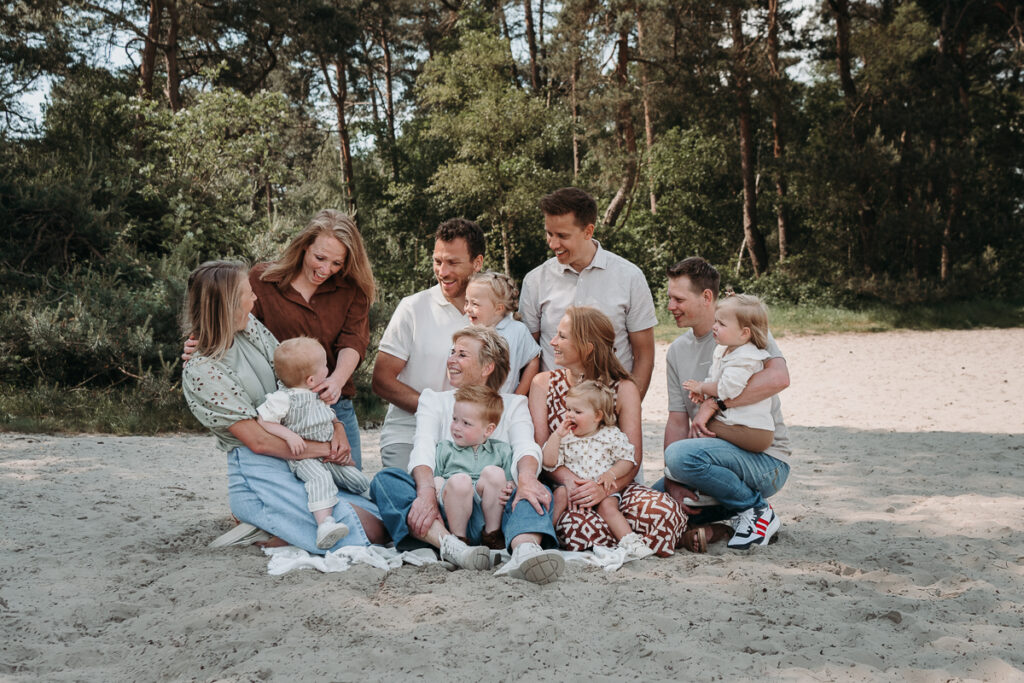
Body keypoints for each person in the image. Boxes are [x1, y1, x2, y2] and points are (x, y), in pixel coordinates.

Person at [181, 260, 388, 553]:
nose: (255, 298)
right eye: (247, 293)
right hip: (260, 469)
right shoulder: (202, 370)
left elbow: (299, 382)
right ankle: (264, 526)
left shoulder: (249, 328)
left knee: (382, 517)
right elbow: (259, 441)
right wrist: (327, 449)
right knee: (368, 530)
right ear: (227, 304)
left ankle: (281, 528)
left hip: (302, 455)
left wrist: (337, 427)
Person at [371, 326, 565, 584]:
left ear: (487, 367)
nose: (451, 359)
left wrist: (527, 479)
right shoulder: (434, 400)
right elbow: (423, 448)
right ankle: (450, 546)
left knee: (538, 490)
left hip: (498, 510)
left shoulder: (513, 403)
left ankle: (524, 550)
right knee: (386, 481)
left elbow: (525, 447)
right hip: (445, 510)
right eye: (452, 352)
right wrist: (427, 492)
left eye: (462, 354)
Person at [183, 209, 376, 470]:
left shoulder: (352, 291)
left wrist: (335, 382)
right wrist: (202, 343)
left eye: (337, 263)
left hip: (330, 401)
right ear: (305, 246)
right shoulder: (263, 280)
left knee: (351, 480)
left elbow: (353, 341)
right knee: (305, 484)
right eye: (320, 258)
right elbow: (234, 323)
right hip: (279, 407)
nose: (325, 269)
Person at [656, 257, 791, 552]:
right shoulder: (677, 351)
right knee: (654, 503)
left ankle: (756, 509)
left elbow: (779, 378)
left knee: (680, 457)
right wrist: (673, 480)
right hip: (704, 460)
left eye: (678, 299)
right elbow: (677, 419)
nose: (670, 306)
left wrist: (715, 403)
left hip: (765, 461)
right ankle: (718, 528)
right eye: (669, 298)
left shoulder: (746, 331)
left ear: (707, 297)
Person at [529, 306, 685, 557]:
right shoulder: (543, 383)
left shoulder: (623, 388)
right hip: (567, 489)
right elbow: (540, 448)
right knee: (579, 529)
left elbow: (632, 457)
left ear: (587, 347)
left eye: (562, 336)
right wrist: (571, 482)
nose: (553, 341)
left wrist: (603, 489)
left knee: (665, 512)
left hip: (615, 487)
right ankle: (630, 539)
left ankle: (627, 536)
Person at [519, 187, 659, 398]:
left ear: (588, 231)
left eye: (562, 236)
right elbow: (529, 356)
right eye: (549, 233)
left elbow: (643, 353)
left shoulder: (630, 277)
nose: (553, 244)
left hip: (612, 404)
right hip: (551, 407)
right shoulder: (535, 281)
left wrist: (628, 405)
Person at [372, 219, 484, 470]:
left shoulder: (493, 315)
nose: (442, 272)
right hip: (408, 434)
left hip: (472, 438)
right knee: (411, 503)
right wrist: (438, 411)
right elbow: (381, 380)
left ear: (477, 263)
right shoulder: (413, 308)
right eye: (437, 261)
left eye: (453, 263)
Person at [255, 337, 371, 549]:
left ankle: (374, 500)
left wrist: (337, 427)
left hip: (327, 455)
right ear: (310, 379)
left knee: (353, 476)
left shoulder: (317, 392)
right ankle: (325, 524)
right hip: (304, 457)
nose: (328, 369)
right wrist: (289, 435)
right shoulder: (284, 398)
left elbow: (325, 416)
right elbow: (263, 420)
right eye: (325, 366)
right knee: (320, 480)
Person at [542, 380, 654, 559]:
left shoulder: (610, 435)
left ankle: (630, 541)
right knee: (560, 494)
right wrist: (556, 436)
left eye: (577, 411)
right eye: (568, 409)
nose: (569, 415)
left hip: (602, 488)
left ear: (597, 416)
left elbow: (628, 460)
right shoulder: (565, 437)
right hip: (573, 491)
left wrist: (611, 473)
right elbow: (547, 462)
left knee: (609, 506)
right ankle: (543, 535)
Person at [681, 294, 775, 454]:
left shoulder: (746, 357)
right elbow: (715, 379)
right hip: (736, 424)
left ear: (744, 333)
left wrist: (702, 387)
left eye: (722, 324)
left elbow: (727, 389)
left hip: (753, 431)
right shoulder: (723, 350)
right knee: (700, 425)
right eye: (716, 321)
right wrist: (702, 395)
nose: (714, 326)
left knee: (702, 427)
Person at [433, 385, 515, 550]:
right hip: (454, 510)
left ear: (488, 430)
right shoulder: (444, 449)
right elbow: (435, 478)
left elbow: (510, 484)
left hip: (486, 514)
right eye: (455, 419)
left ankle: (492, 536)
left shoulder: (502, 451)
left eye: (466, 423)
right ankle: (458, 542)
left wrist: (510, 488)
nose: (456, 427)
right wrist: (437, 484)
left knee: (494, 473)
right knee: (460, 481)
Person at [464, 271, 540, 395]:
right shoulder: (467, 334)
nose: (467, 308)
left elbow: (533, 360)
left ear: (499, 308)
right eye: (466, 302)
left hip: (505, 405)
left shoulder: (516, 330)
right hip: (472, 404)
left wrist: (518, 396)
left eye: (475, 304)